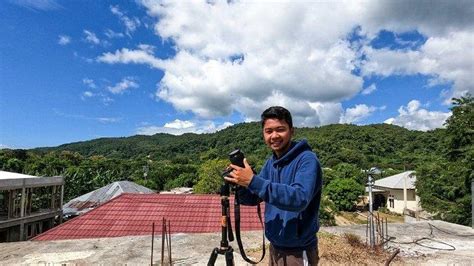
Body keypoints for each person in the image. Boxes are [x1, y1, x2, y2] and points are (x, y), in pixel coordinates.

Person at [225, 106, 323, 265]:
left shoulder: (307, 159)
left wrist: (252, 181)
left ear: (292, 131)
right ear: (263, 134)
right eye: (269, 131)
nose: (274, 135)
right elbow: (253, 198)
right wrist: (240, 183)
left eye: (280, 129)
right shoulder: (270, 164)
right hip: (275, 247)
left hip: (298, 250)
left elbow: (300, 198)